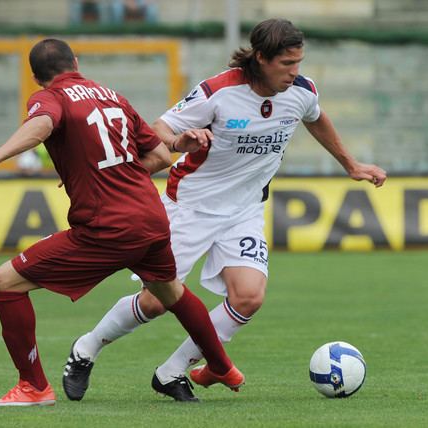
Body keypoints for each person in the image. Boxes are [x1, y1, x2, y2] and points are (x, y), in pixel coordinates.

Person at [63, 18, 388, 402]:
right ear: (262, 58)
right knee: (156, 300)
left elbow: (316, 118)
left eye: (299, 62)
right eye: (287, 64)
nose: (295, 72)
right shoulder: (218, 91)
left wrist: (351, 165)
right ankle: (85, 350)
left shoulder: (302, 91)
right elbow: (158, 128)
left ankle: (171, 372)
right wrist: (181, 140)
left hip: (245, 209)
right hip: (192, 206)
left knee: (249, 296)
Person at [0, 38, 244, 407]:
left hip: (106, 226)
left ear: (35, 78)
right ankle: (221, 365)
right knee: (170, 292)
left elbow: (42, 124)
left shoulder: (50, 97)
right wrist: (109, 173)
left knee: (5, 282)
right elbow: (158, 154)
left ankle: (33, 387)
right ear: (75, 61)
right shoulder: (112, 96)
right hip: (151, 217)